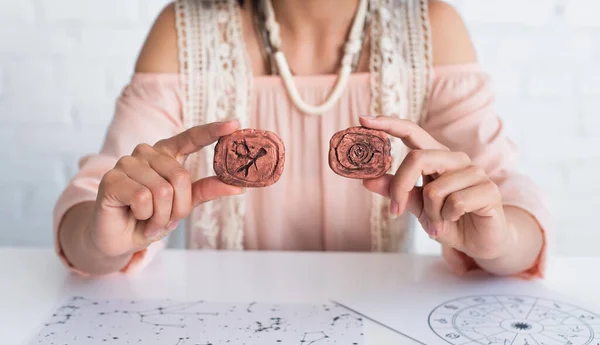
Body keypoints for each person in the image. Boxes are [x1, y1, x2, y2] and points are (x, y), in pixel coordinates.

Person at [54, 0, 550, 277]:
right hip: (224, 329)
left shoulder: (431, 30)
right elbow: (94, 203)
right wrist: (102, 238)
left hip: (379, 329)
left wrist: (499, 237)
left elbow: (508, 202)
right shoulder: (182, 32)